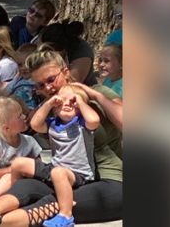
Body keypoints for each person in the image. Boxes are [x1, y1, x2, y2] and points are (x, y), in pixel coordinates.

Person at [0, 48, 122, 227]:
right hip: (68, 176)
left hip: (111, 180)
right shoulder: (51, 108)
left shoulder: (94, 94)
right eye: (40, 85)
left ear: (66, 73)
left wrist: (95, 96)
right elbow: (34, 125)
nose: (48, 88)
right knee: (28, 185)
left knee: (57, 202)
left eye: (51, 79)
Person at [8, 84, 101, 227]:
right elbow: (35, 124)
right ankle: (16, 196)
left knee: (58, 173)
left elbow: (94, 120)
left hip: (79, 174)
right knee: (19, 163)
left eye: (73, 102)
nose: (67, 104)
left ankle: (65, 215)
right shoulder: (52, 124)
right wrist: (49, 103)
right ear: (55, 108)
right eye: (61, 101)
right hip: (55, 167)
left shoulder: (82, 124)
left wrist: (81, 102)